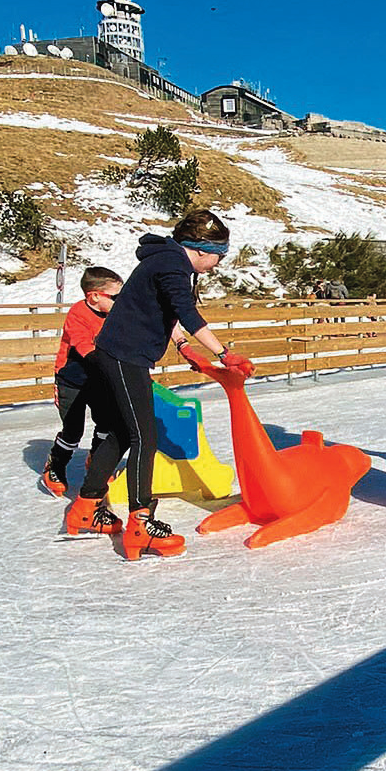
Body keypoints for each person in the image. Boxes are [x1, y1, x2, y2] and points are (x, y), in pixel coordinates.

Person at [66, 210, 256, 560]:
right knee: (144, 437)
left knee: (125, 432)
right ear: (201, 249)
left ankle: (86, 507)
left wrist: (184, 347)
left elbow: (165, 312)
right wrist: (224, 353)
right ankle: (140, 523)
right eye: (220, 255)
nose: (218, 262)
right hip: (125, 356)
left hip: (122, 354)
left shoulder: (166, 260)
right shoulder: (173, 265)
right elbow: (185, 311)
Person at [40, 266, 123, 496]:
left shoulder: (113, 314)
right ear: (94, 296)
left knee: (107, 424)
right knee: (73, 431)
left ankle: (98, 460)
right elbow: (83, 344)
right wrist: (101, 360)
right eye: (115, 297)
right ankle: (55, 465)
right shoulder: (78, 313)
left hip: (99, 380)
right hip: (72, 381)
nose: (119, 302)